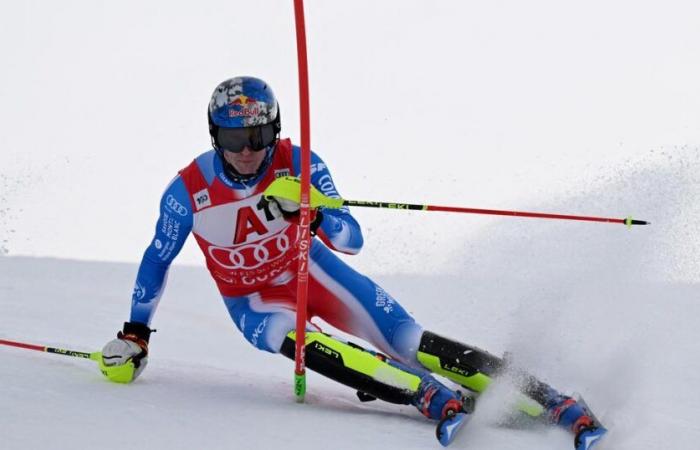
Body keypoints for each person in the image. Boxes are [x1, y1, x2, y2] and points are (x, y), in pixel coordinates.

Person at [100, 76, 605, 448]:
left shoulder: (299, 163)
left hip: (314, 271)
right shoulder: (187, 192)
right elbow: (156, 259)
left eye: (258, 137)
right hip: (252, 300)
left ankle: (554, 401)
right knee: (298, 340)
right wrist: (136, 334)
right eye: (235, 140)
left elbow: (352, 238)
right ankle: (427, 397)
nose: (249, 153)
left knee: (409, 340)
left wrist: (313, 211)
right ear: (216, 136)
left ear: (274, 130)